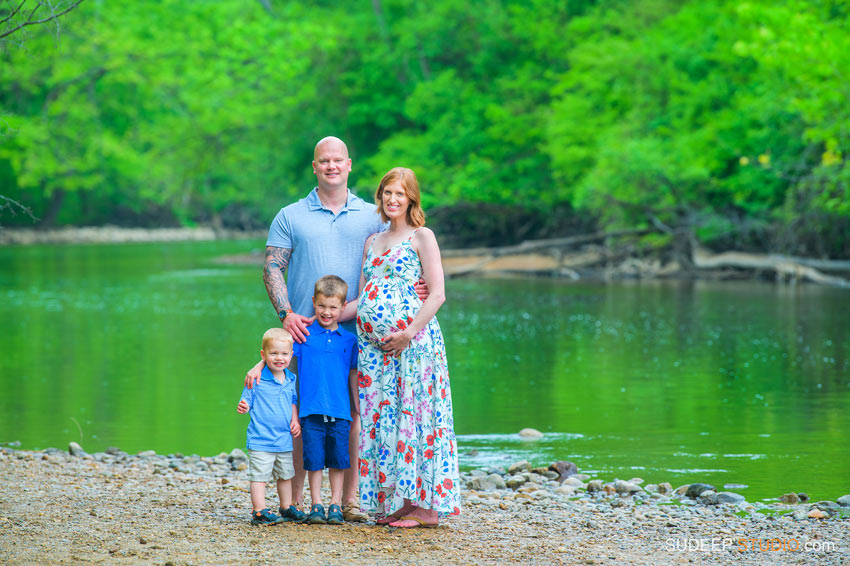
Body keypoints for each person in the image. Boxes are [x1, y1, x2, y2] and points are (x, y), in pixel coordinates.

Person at [245, 136, 384, 522]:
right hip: (304, 335)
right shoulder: (291, 215)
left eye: (338, 160)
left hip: (357, 334)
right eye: (324, 161)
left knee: (353, 415)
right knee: (302, 415)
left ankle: (348, 501)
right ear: (314, 166)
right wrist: (287, 313)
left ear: (350, 165)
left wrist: (420, 284)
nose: (331, 166)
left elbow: (397, 256)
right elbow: (273, 266)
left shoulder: (372, 215)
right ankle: (297, 502)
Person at [353, 167, 461, 528]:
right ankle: (403, 500)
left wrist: (409, 331)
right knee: (387, 420)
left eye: (400, 194)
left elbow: (439, 293)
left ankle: (427, 508)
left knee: (418, 416)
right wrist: (322, 315)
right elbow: (363, 296)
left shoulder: (422, 236)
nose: (393, 199)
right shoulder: (372, 241)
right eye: (387, 193)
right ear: (380, 197)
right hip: (376, 353)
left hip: (414, 346)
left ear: (411, 198)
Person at [296, 275, 359, 525]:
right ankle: (316, 504)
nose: (327, 312)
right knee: (313, 460)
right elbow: (277, 353)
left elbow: (353, 374)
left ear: (343, 308)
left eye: (333, 307)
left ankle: (335, 504)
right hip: (310, 409)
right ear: (314, 302)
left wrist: (357, 404)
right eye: (322, 305)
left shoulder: (350, 340)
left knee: (338, 460)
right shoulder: (303, 336)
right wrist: (259, 368)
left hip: (341, 411)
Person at [237, 328, 307, 525]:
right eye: (274, 353)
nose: (279, 358)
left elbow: (293, 401)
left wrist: (295, 420)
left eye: (284, 354)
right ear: (263, 355)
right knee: (259, 476)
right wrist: (244, 406)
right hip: (261, 438)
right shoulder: (256, 379)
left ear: (291, 355)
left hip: (284, 438)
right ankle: (259, 510)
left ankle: (286, 507)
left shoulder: (291, 378)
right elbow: (246, 399)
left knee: (285, 475)